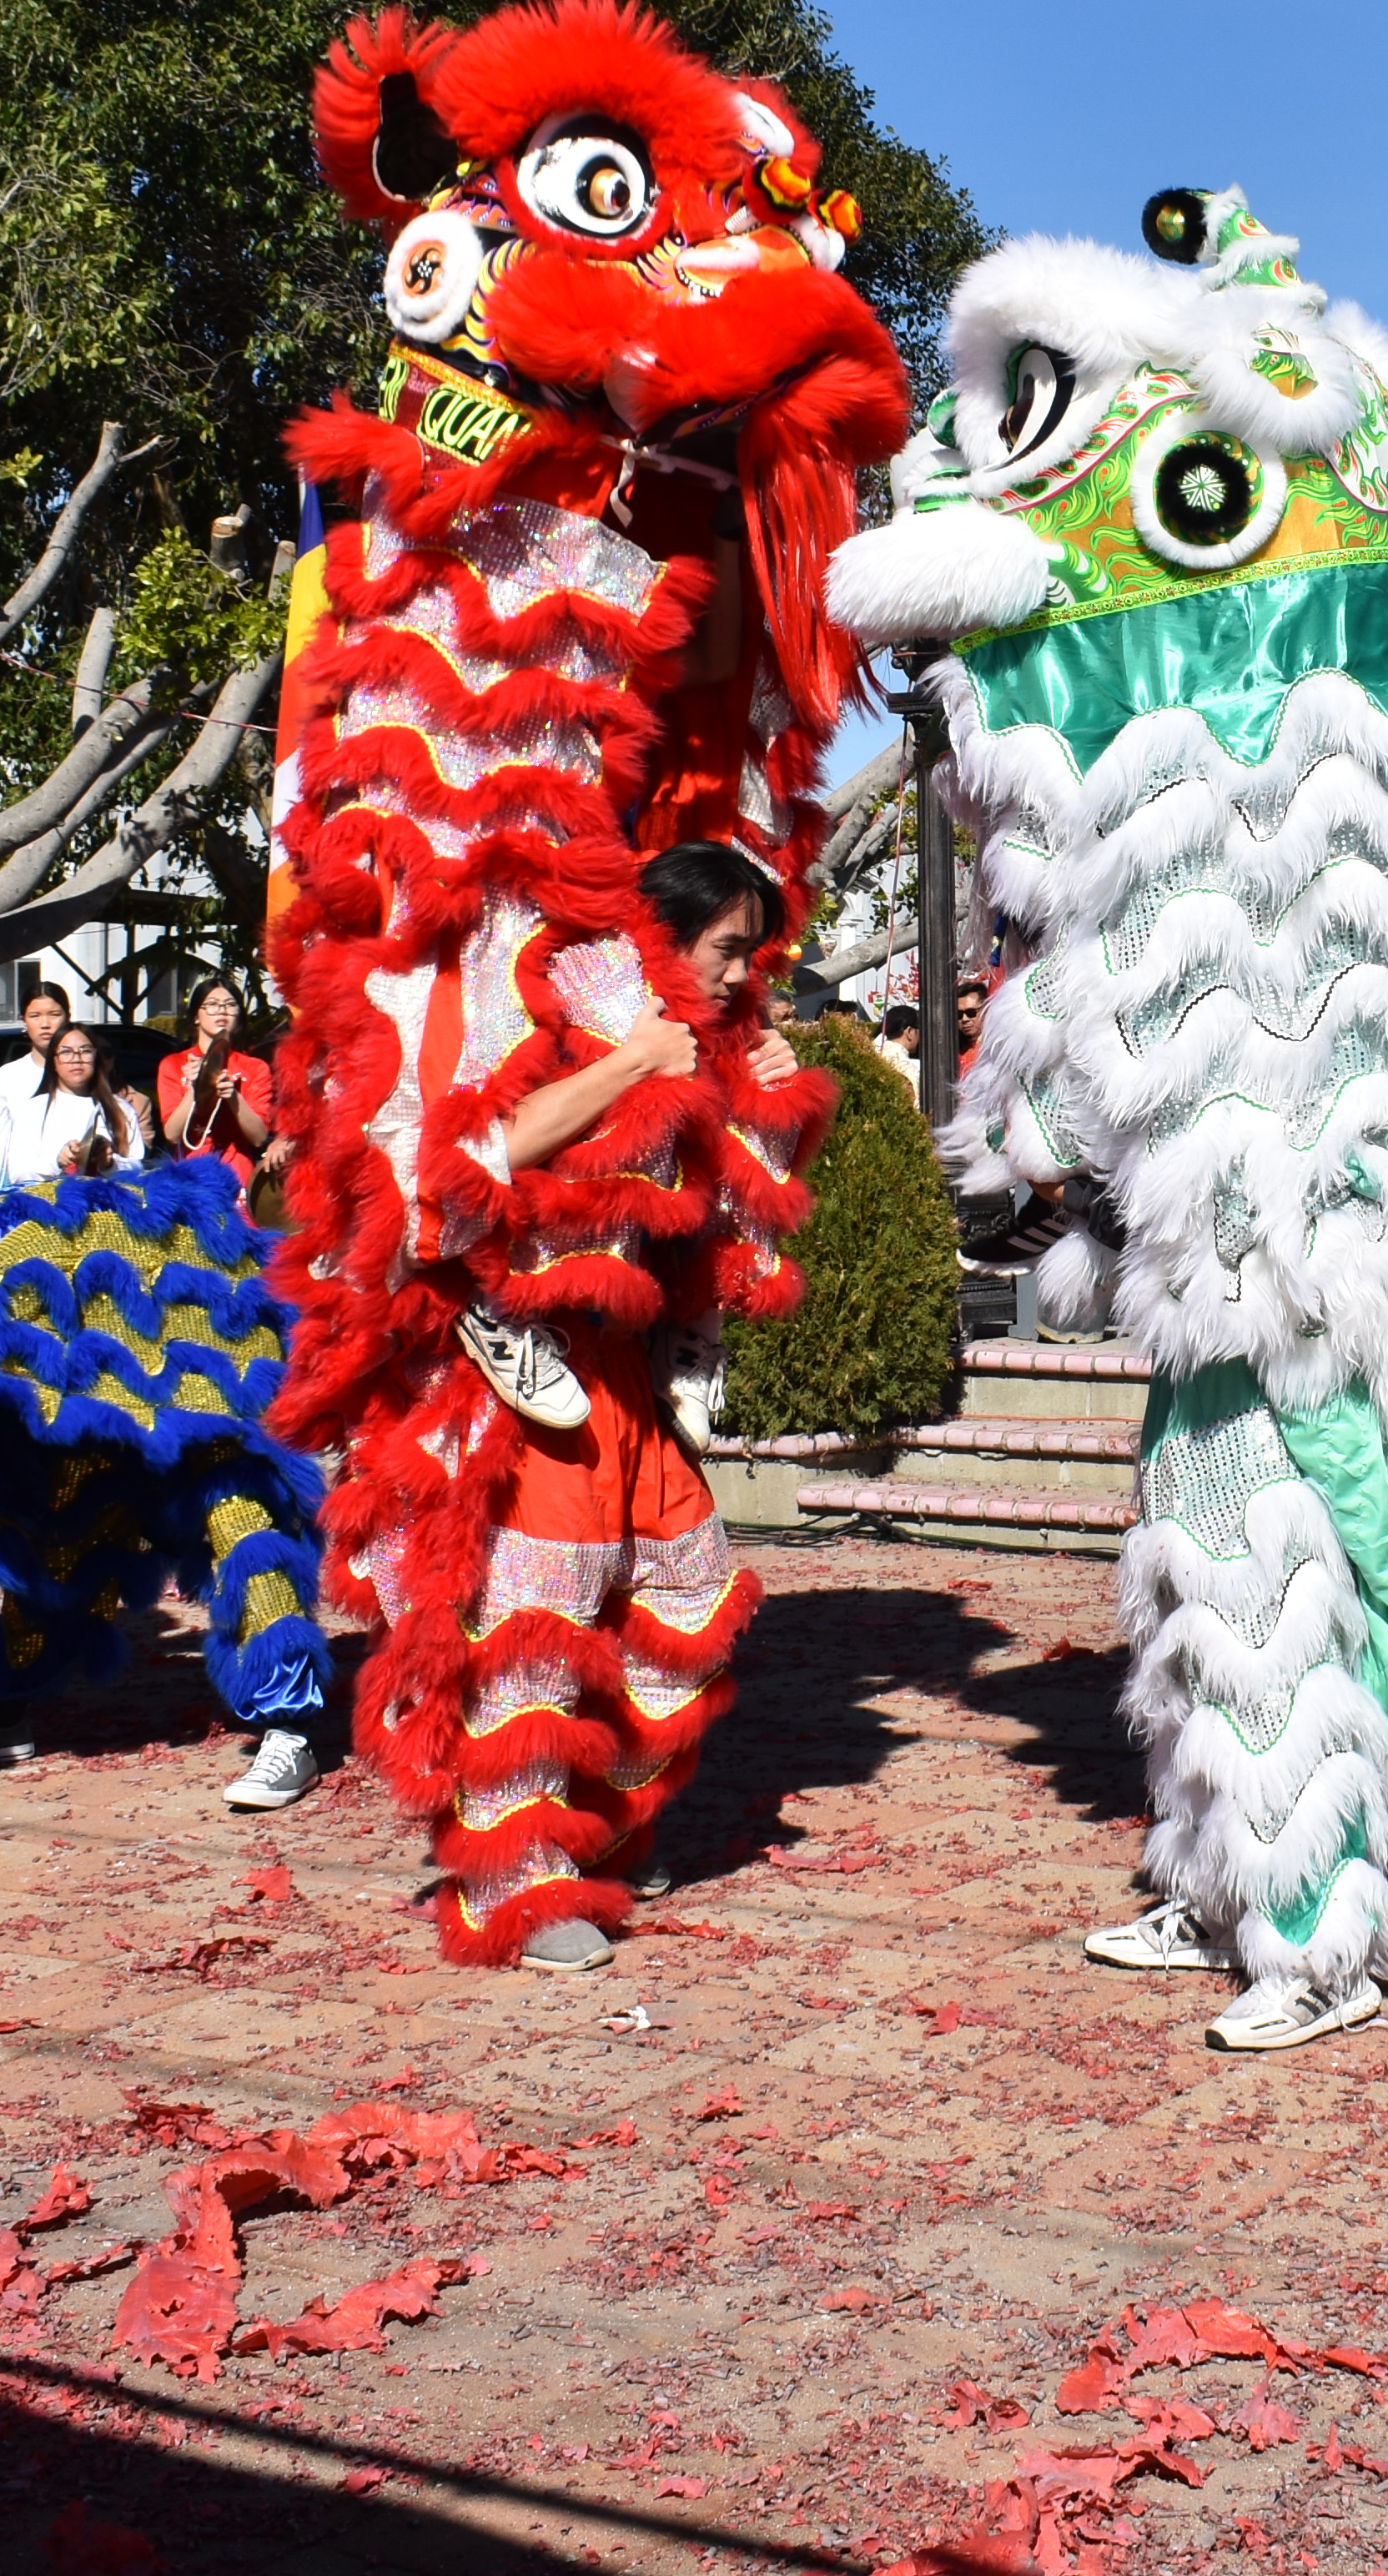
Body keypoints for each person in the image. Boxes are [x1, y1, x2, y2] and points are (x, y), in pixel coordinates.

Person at [428, 838, 812, 1973]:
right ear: (666, 935)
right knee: (536, 1627)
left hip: (629, 1366)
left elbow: (729, 1220)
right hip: (528, 1358)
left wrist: (768, 1098)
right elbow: (482, 1154)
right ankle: (516, 1884)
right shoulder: (555, 1002)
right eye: (728, 948)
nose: (742, 972)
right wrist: (634, 1060)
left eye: (752, 954)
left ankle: (589, 1829)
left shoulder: (703, 1040)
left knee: (687, 1598)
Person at [0, 1020, 145, 1189]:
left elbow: (138, 1167)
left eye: (85, 1051)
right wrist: (57, 1161)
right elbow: (19, 1173)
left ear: (95, 1057)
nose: (76, 1059)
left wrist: (110, 1162)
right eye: (66, 1052)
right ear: (54, 1061)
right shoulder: (33, 1109)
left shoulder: (121, 1109)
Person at [157, 980, 279, 1180]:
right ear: (196, 1016)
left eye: (230, 1005)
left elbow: (259, 1138)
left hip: (237, 1175)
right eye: (212, 1004)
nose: (222, 1011)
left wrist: (233, 1096)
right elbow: (172, 1134)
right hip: (189, 1176)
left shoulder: (255, 1067)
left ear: (238, 1015)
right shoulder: (173, 1064)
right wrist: (195, 1089)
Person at [0, 979, 73, 1188]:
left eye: (54, 1014)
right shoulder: (7, 1077)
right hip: (24, 1188)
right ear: (24, 1020)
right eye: (35, 1016)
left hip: (76, 1186)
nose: (45, 1024)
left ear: (67, 1017)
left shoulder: (82, 1071)